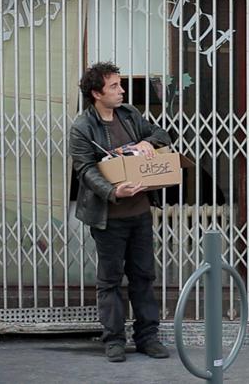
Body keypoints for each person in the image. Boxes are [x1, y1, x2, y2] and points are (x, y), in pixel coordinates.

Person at [70, 61, 172, 363]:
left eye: (120, 84)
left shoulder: (129, 116)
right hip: (109, 217)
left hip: (140, 213)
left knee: (143, 276)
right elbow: (85, 169)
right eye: (114, 86)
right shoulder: (83, 127)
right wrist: (114, 192)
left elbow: (162, 134)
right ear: (96, 93)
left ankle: (147, 338)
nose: (122, 90)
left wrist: (146, 141)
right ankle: (114, 340)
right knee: (110, 280)